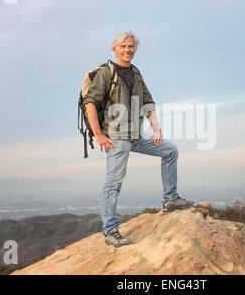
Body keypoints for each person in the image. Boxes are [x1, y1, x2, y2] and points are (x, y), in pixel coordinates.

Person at [83, 32, 194, 247]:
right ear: (115, 49)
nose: (127, 50)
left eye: (131, 46)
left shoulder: (135, 72)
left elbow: (147, 102)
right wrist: (99, 135)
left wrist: (156, 128)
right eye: (123, 46)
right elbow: (90, 103)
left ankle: (171, 199)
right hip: (116, 138)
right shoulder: (107, 73)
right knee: (113, 184)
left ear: (135, 49)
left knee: (170, 150)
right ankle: (110, 231)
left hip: (135, 135)